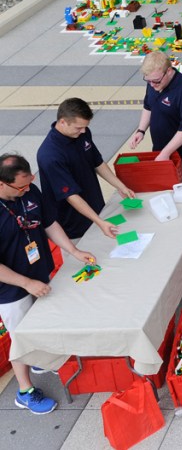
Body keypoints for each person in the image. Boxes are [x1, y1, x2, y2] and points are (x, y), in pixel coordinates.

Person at [0, 153, 95, 415]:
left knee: (46, 319)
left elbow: (49, 223)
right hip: (11, 288)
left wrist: (74, 252)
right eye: (21, 186)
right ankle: (25, 391)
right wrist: (26, 282)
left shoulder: (29, 191)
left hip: (39, 271)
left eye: (30, 182)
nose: (28, 189)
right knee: (21, 338)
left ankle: (42, 359)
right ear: (1, 184)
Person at [36, 98, 134, 240]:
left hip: (96, 211)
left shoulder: (82, 133)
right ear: (62, 121)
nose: (83, 131)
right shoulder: (50, 155)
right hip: (73, 224)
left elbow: (98, 162)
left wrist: (121, 186)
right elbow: (71, 196)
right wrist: (99, 222)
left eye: (85, 127)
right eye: (78, 127)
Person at [128, 51, 182, 168]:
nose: (152, 85)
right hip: (161, 150)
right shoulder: (153, 81)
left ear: (169, 71)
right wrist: (141, 130)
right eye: (148, 81)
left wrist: (165, 153)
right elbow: (148, 106)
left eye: (156, 81)